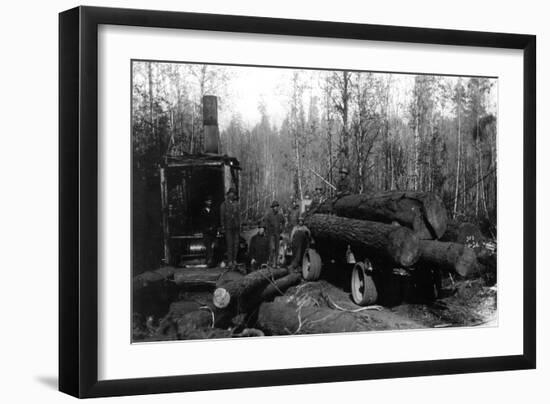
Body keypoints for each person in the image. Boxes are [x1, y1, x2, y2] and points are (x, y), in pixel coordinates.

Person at [220, 187, 241, 269]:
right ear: (228, 195)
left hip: (236, 227)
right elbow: (222, 217)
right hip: (228, 227)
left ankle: (234, 260)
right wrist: (222, 226)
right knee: (229, 244)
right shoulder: (224, 204)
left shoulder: (237, 204)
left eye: (233, 194)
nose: (232, 195)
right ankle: (230, 261)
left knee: (236, 244)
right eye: (230, 193)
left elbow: (239, 216)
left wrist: (240, 225)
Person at [264, 200, 286, 267]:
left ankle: (275, 263)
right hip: (271, 235)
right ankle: (270, 262)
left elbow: (284, 221)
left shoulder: (280, 215)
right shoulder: (269, 215)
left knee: (277, 249)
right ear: (272, 207)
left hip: (277, 234)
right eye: (274, 207)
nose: (276, 208)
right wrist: (267, 233)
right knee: (272, 248)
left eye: (277, 206)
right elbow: (266, 225)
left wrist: (282, 229)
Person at [198, 195, 217, 267]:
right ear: (205, 202)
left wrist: (213, 227)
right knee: (208, 246)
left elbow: (215, 220)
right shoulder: (203, 211)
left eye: (210, 201)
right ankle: (209, 260)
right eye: (208, 201)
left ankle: (212, 260)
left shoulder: (213, 210)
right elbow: (202, 222)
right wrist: (206, 229)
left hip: (213, 231)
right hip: (206, 232)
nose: (210, 203)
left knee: (213, 246)